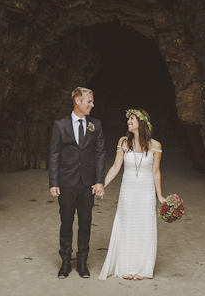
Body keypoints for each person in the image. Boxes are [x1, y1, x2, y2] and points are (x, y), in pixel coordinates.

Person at [98, 109, 166, 281]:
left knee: (144, 227)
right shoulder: (123, 142)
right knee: (127, 226)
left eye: (132, 119)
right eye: (128, 119)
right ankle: (127, 267)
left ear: (142, 122)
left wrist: (160, 195)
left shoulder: (156, 145)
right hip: (128, 190)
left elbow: (156, 172)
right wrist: (102, 185)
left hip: (146, 191)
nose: (128, 122)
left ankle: (142, 268)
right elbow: (115, 167)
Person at [49, 87, 106, 279]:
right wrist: (54, 181)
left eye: (92, 101)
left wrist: (99, 181)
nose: (92, 105)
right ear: (78, 101)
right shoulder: (60, 125)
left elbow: (100, 154)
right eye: (89, 101)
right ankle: (65, 261)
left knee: (85, 222)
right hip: (66, 181)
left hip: (87, 182)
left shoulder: (96, 125)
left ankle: (82, 262)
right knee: (66, 222)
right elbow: (54, 154)